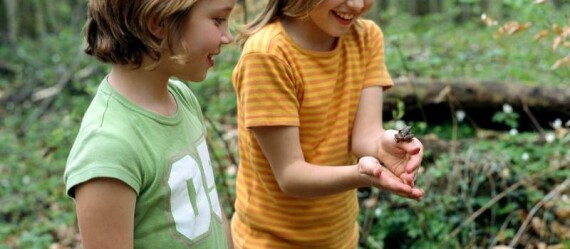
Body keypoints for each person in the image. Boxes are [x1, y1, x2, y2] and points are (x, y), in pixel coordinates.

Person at [230, 0, 425, 248]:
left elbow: (366, 136)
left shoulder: (365, 37)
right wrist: (361, 175)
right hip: (272, 242)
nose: (356, 4)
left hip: (341, 237)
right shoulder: (268, 54)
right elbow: (291, 175)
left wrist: (386, 145)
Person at [63, 0, 236, 248]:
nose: (227, 36)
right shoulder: (107, 147)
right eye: (218, 20)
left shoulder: (181, 98)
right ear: (158, 23)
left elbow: (212, 210)